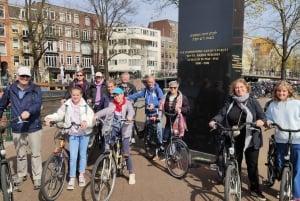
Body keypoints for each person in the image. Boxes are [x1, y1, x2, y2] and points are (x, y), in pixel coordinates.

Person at [208, 78, 266, 201]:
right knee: (235, 162)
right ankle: (236, 185)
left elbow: (262, 116)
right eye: (237, 88)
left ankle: (255, 190)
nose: (239, 90)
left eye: (241, 87)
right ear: (233, 90)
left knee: (252, 165)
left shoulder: (253, 102)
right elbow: (222, 113)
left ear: (246, 88)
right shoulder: (230, 101)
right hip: (234, 136)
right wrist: (214, 120)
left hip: (251, 136)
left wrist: (261, 121)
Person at [0, 66, 43, 190]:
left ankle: (37, 177)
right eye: (22, 76)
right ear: (18, 76)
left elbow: (37, 104)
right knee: (20, 153)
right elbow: (2, 105)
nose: (24, 78)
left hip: (33, 125)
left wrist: (29, 112)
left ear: (30, 77)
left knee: (35, 154)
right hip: (17, 126)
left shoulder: (36, 89)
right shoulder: (10, 88)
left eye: (27, 76)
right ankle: (21, 174)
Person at [45, 87, 94, 190]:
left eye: (77, 95)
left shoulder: (86, 107)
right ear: (71, 95)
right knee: (73, 156)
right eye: (73, 95)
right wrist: (49, 117)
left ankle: (81, 175)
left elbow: (92, 119)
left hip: (84, 133)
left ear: (81, 95)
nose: (75, 97)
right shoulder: (66, 105)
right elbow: (59, 115)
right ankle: (72, 177)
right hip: (72, 133)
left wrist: (87, 123)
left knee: (82, 155)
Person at [265, 80, 300, 201]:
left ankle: (297, 196)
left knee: (297, 168)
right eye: (279, 91)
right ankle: (283, 184)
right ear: (276, 92)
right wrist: (268, 122)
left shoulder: (296, 103)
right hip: (281, 138)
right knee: (279, 164)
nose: (281, 93)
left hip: (297, 139)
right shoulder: (272, 105)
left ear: (288, 92)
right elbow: (268, 117)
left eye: (284, 91)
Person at [94, 87, 136, 185]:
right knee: (108, 148)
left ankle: (131, 173)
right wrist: (97, 115)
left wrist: (129, 117)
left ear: (122, 95)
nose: (116, 97)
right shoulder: (112, 104)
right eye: (115, 95)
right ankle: (107, 168)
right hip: (114, 129)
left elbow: (131, 111)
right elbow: (106, 110)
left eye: (118, 95)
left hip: (125, 130)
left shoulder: (127, 103)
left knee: (125, 152)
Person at [127, 75, 164, 156]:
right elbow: (137, 95)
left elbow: (161, 100)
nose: (150, 84)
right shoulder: (145, 90)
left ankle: (160, 145)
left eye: (151, 82)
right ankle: (149, 144)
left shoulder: (158, 90)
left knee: (158, 128)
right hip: (148, 113)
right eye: (148, 82)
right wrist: (127, 97)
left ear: (154, 82)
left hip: (157, 112)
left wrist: (154, 105)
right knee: (148, 128)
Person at [118, 72, 137, 143]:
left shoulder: (132, 86)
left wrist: (131, 102)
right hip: (120, 106)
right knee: (120, 121)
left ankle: (132, 136)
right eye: (124, 77)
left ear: (128, 78)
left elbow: (135, 96)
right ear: (121, 78)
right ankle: (121, 135)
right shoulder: (118, 86)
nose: (125, 79)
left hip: (130, 106)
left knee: (130, 121)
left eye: (126, 77)